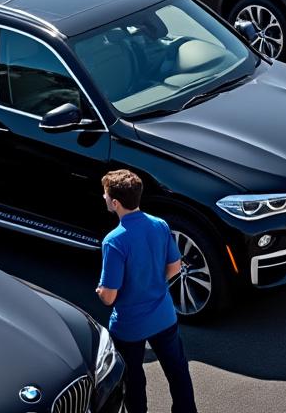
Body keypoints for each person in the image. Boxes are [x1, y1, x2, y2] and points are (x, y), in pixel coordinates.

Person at [96, 170, 199, 413]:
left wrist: (100, 291)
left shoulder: (114, 241)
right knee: (178, 372)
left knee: (133, 382)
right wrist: (154, 282)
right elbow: (175, 267)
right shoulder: (160, 225)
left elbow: (109, 296)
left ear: (115, 203)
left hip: (129, 326)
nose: (104, 197)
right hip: (164, 317)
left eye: (106, 195)